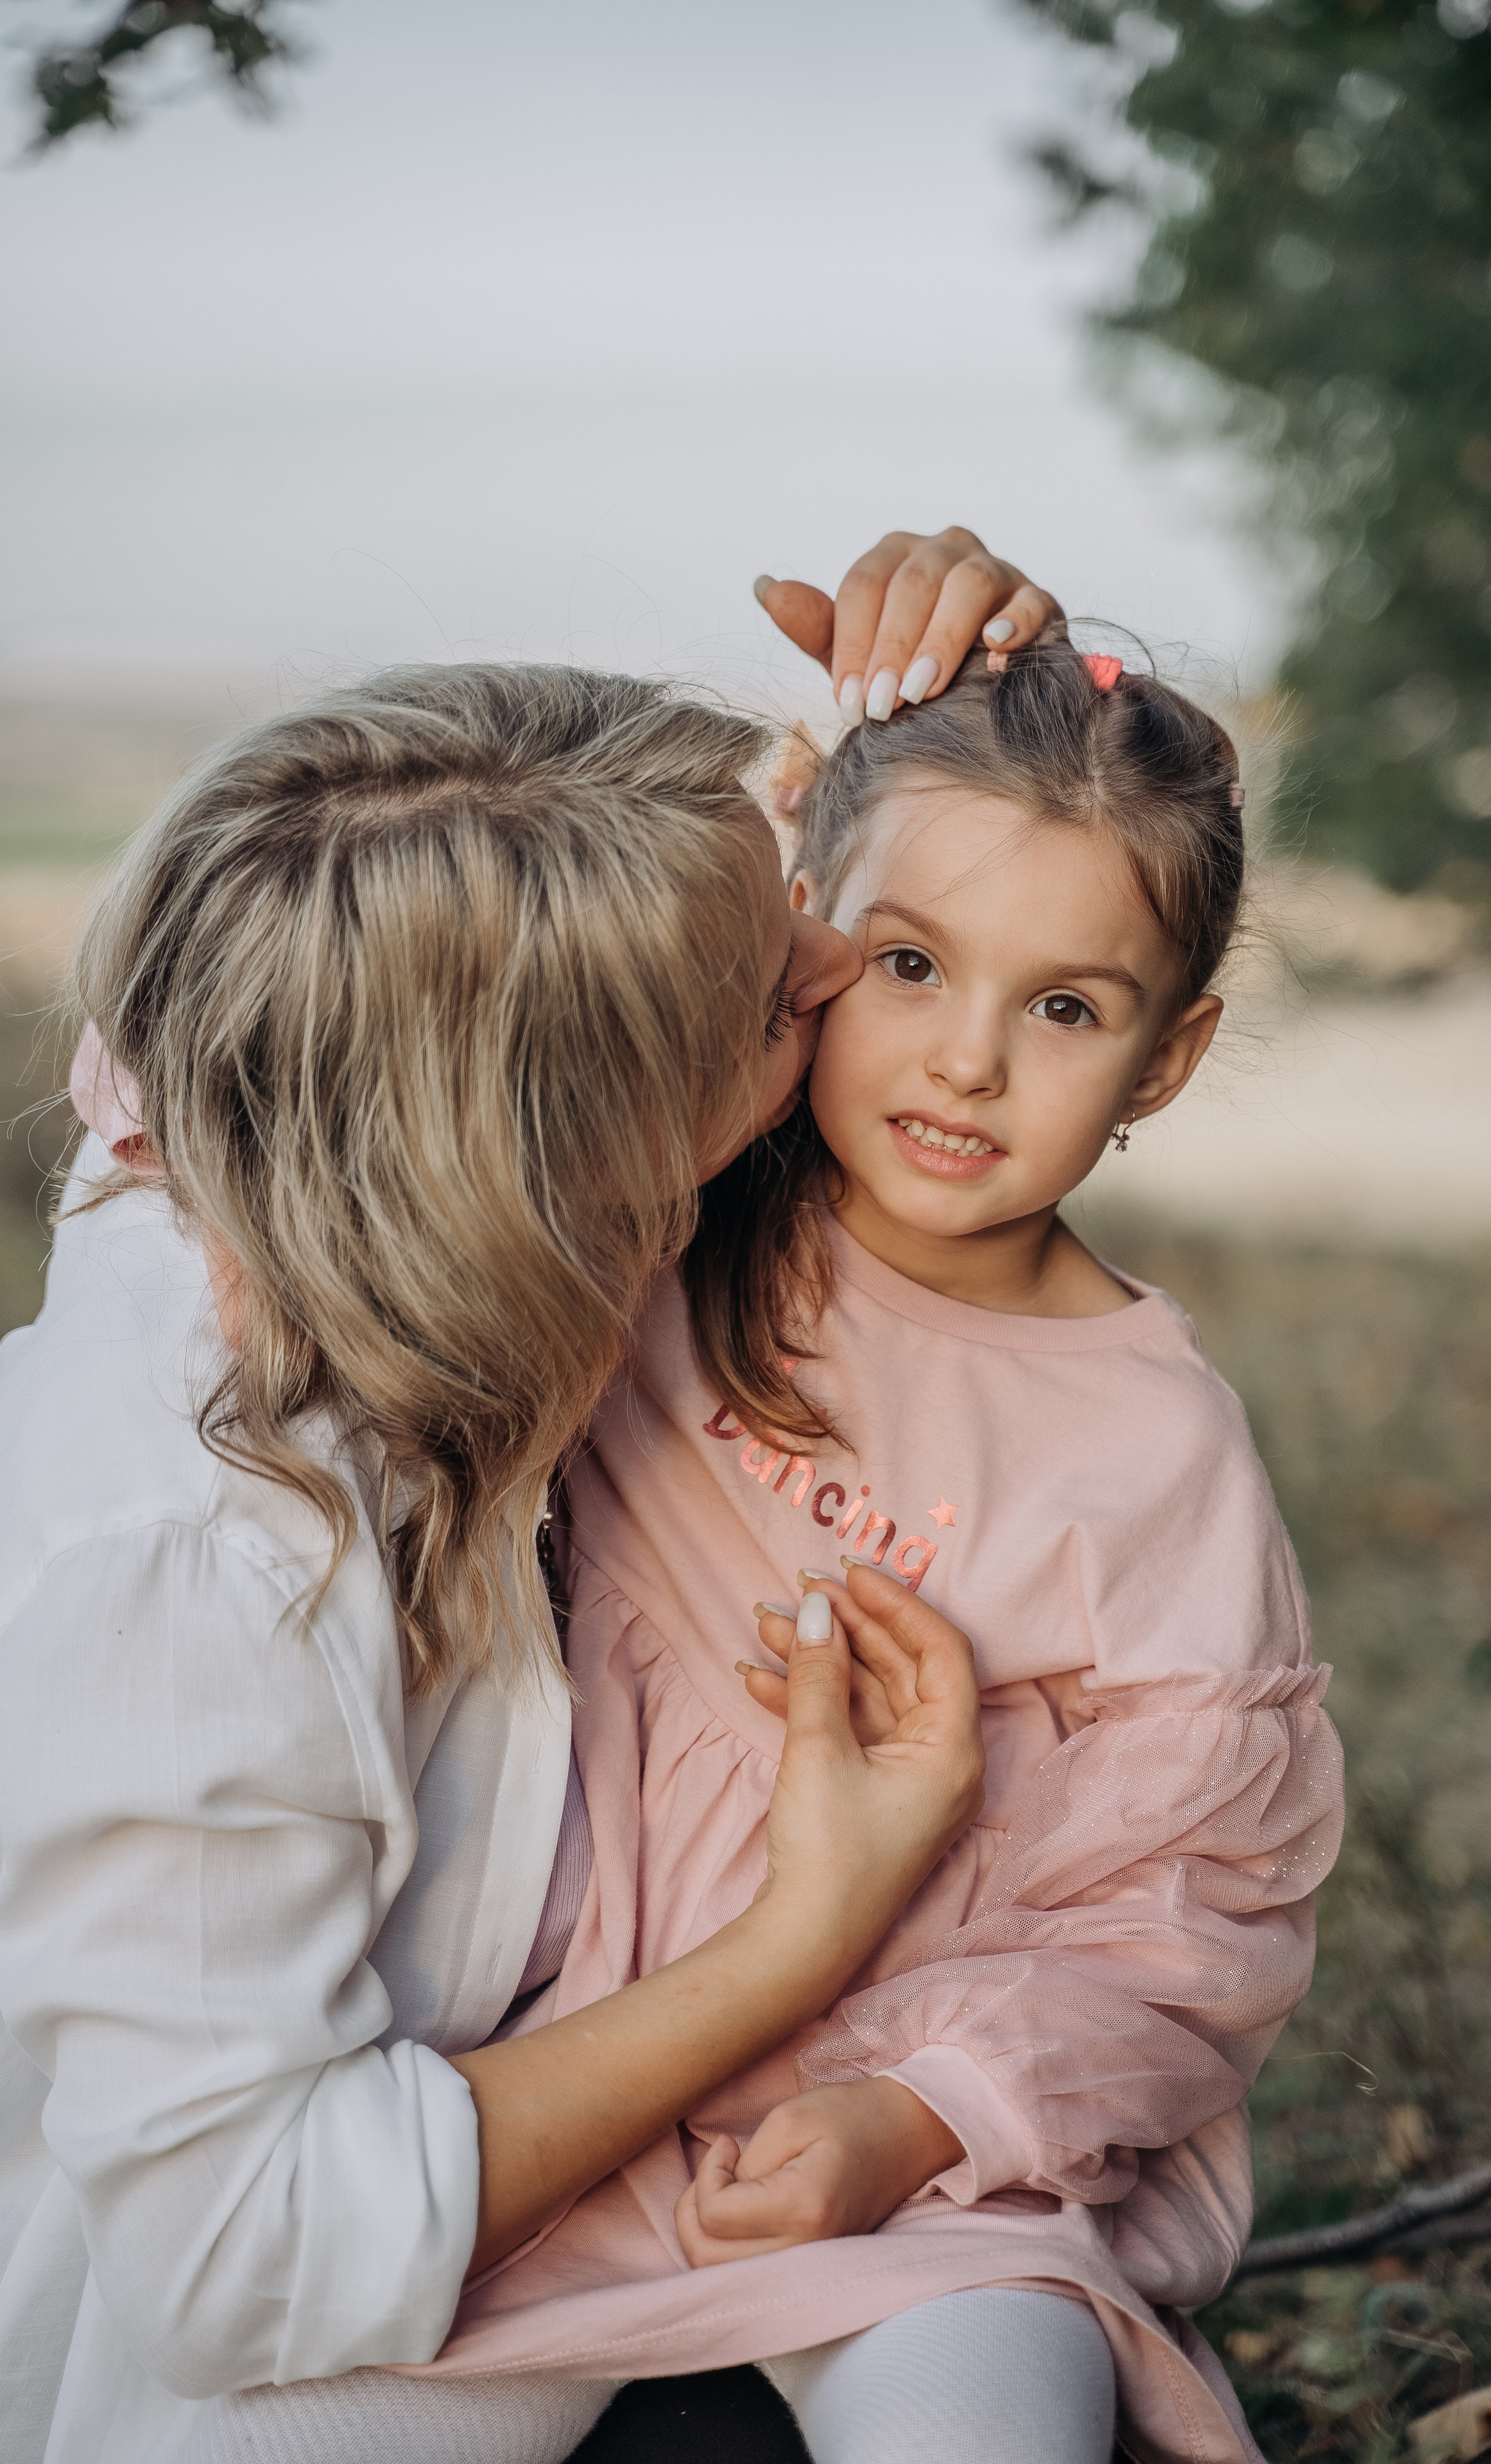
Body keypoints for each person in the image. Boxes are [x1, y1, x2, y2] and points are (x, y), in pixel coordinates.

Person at [0, 531, 1056, 2464]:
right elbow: (244, 2260)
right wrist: (801, 1936)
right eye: (775, 997)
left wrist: (1016, 723)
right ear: (571, 1165)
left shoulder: (311, 1115)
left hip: (586, 2268)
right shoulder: (191, 1556)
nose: (839, 972)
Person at [388, 635, 1345, 2464]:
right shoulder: (668, 1211)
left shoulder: (1156, 1452)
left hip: (920, 2165)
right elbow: (475, 968)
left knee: (983, 2410)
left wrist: (917, 2119)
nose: (966, 1062)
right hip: (540, 2092)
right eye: (908, 966)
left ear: (1171, 1052)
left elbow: (1184, 1923)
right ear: (808, 932)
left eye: (1068, 1009)